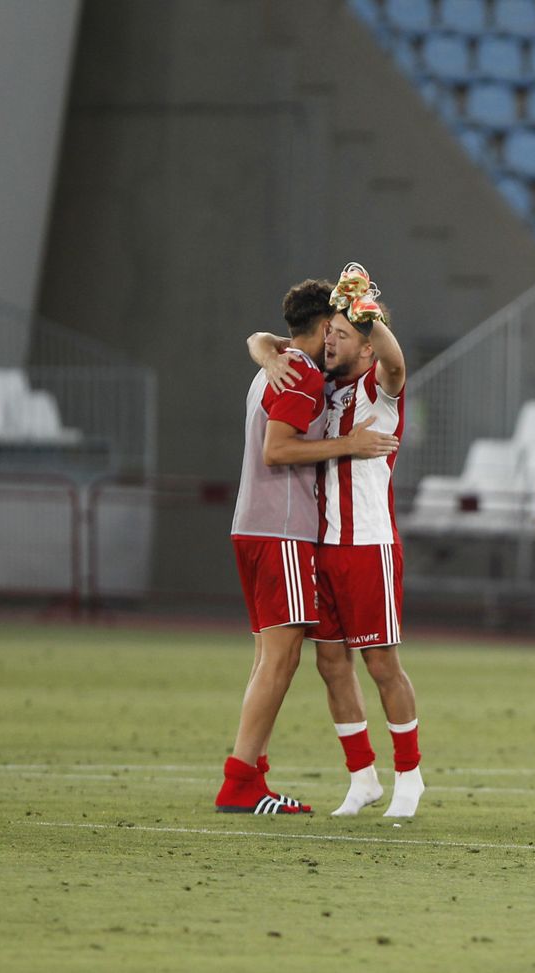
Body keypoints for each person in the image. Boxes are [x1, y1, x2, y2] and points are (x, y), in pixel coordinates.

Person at [217, 278, 398, 814]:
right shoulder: (301, 377)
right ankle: (241, 782)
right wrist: (351, 444)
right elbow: (277, 450)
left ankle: (251, 775)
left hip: (253, 525)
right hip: (283, 530)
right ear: (324, 329)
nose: (338, 340)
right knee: (282, 659)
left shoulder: (274, 364)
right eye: (336, 331)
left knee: (267, 658)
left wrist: (262, 343)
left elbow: (262, 342)